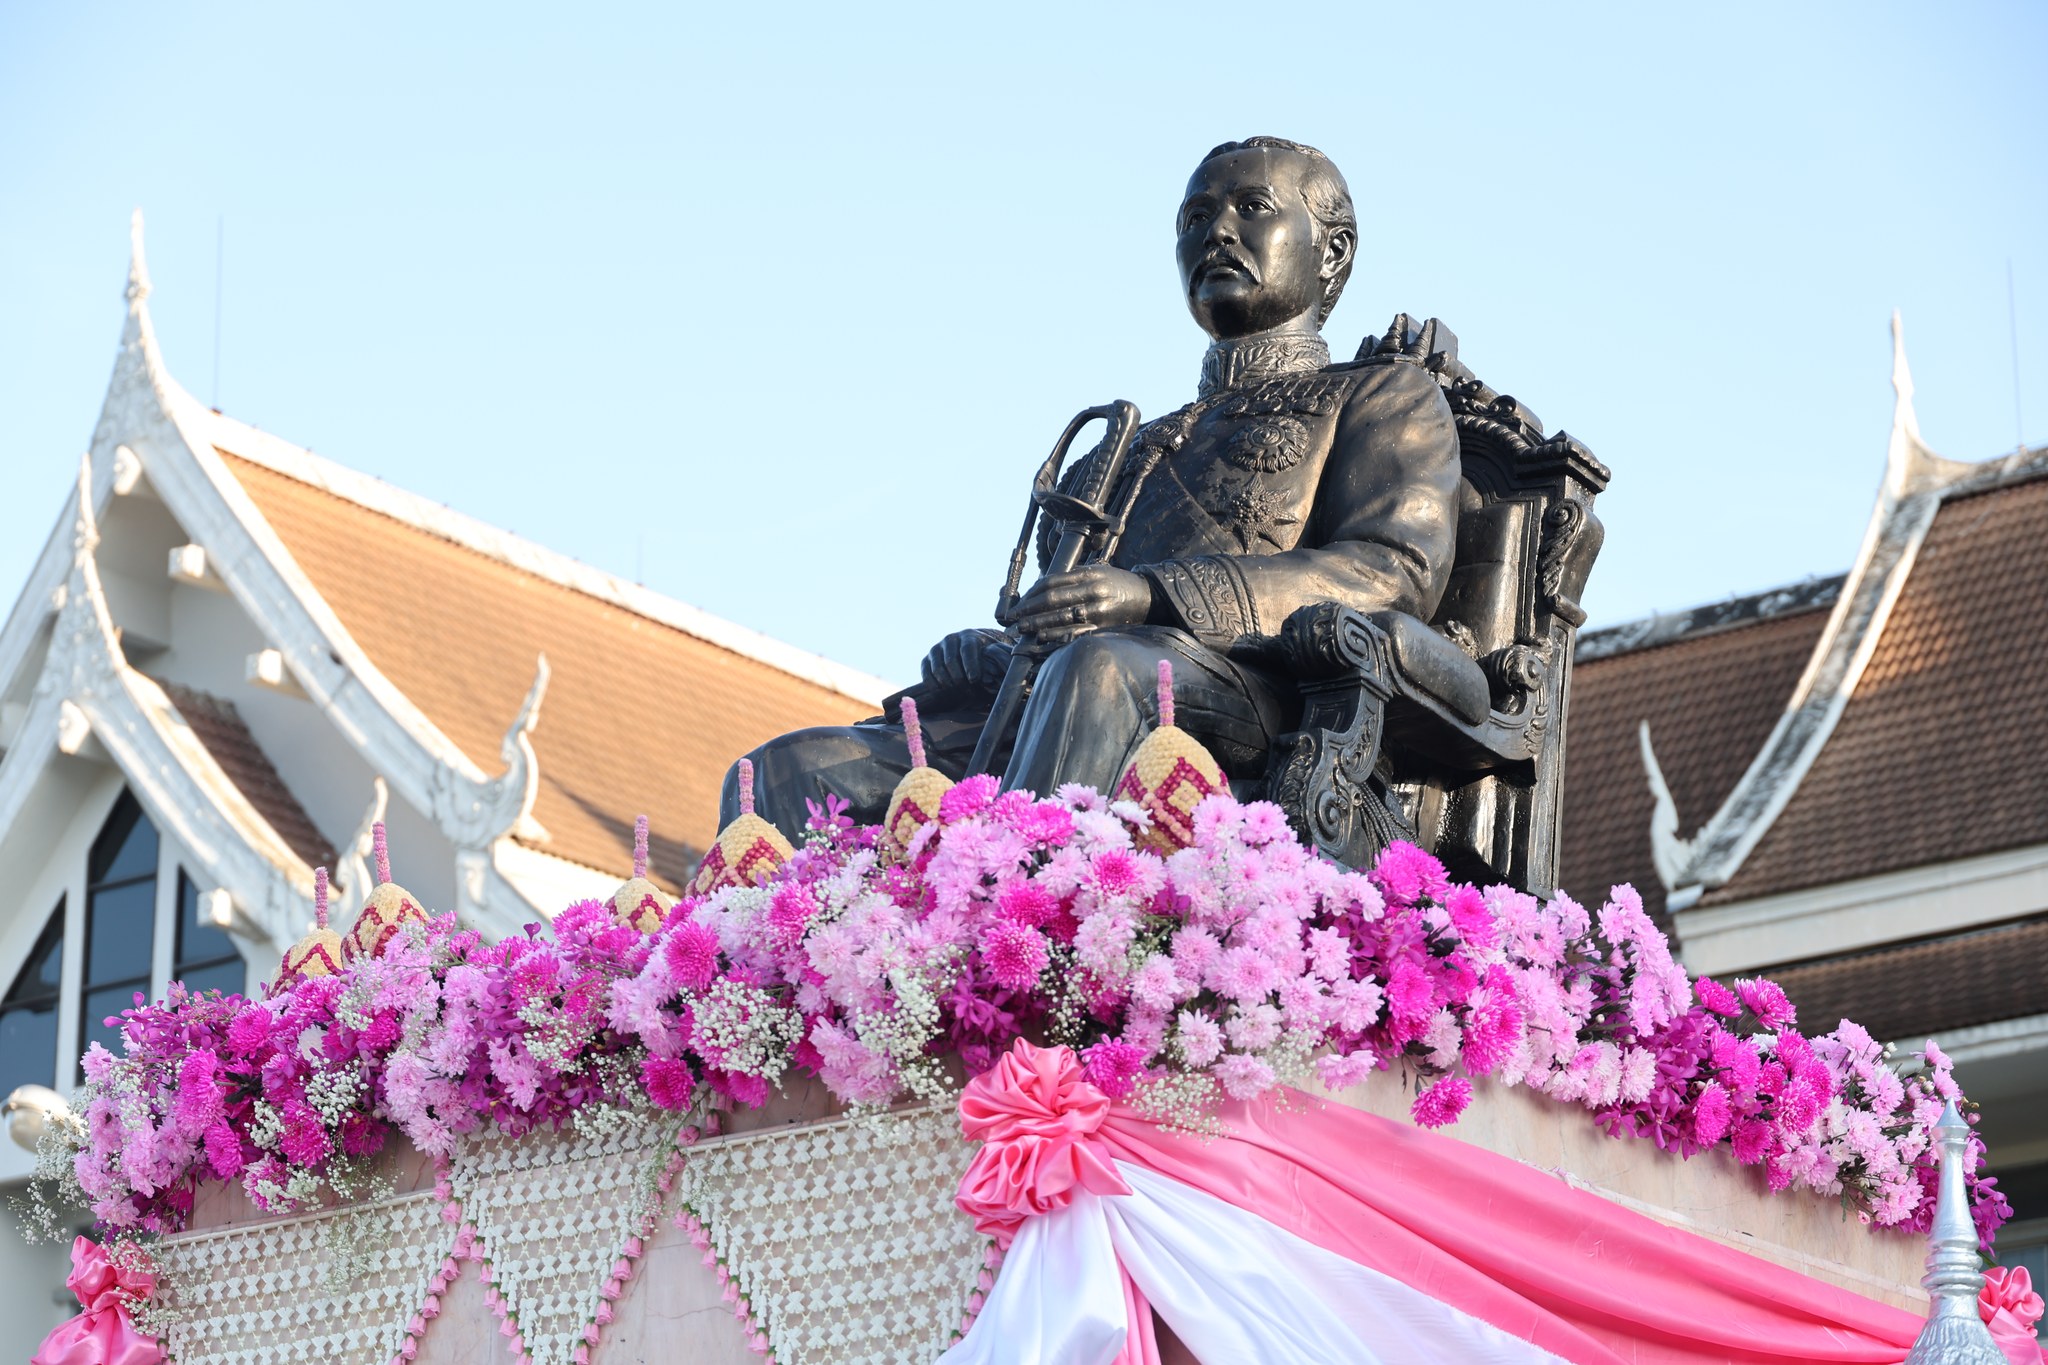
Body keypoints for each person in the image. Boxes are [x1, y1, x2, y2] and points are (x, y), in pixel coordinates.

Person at [722, 137, 1461, 836]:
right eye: (1196, 218)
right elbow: (1061, 625)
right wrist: (998, 646)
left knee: (1098, 669)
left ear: (1332, 250)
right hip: (1063, 694)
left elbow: (1390, 571)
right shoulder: (1119, 450)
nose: (1217, 232)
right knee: (787, 770)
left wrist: (1150, 595)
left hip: (1255, 695)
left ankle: (1026, 913)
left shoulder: (1381, 397)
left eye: (1252, 208)